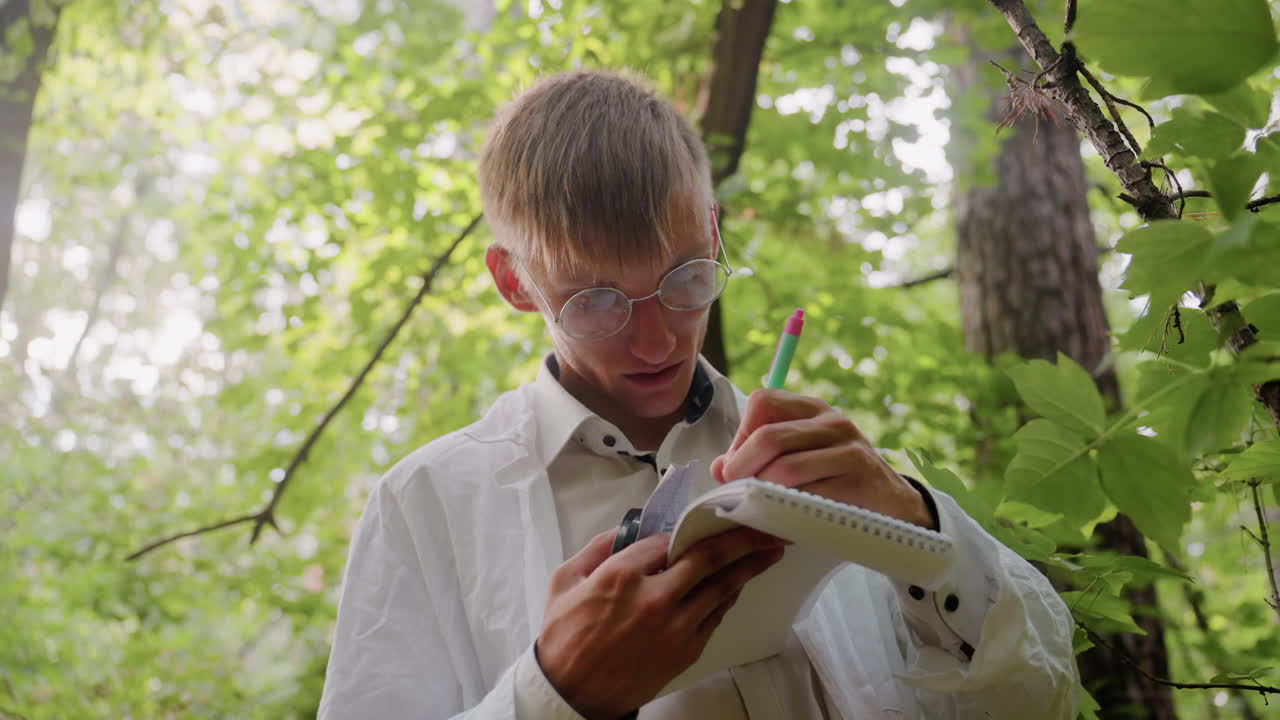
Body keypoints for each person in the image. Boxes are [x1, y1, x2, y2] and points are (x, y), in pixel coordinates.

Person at [317, 70, 1079, 719]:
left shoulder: (827, 471)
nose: (658, 343)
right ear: (514, 281)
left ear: (713, 232)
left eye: (686, 280)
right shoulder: (425, 507)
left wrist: (919, 526)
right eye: (595, 302)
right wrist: (557, 693)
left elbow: (1046, 697)